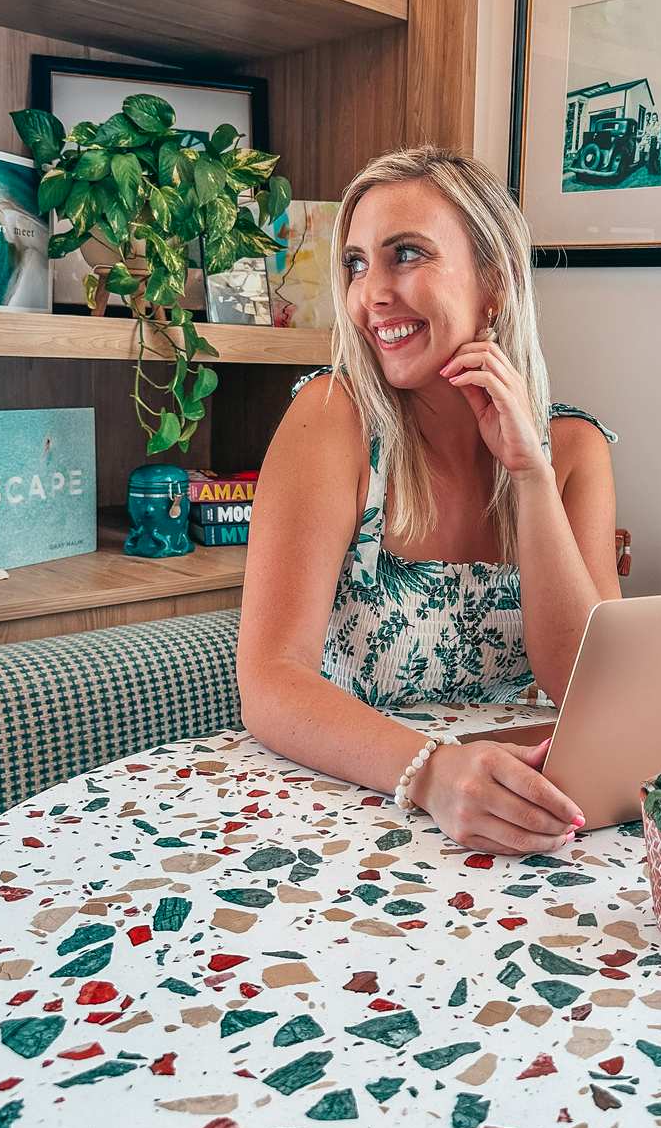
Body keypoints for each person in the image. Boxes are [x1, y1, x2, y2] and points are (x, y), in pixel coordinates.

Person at [237, 145, 622, 857]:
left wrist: (530, 478)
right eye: (355, 264)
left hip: (527, 817)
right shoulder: (332, 419)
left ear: (494, 283)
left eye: (405, 255)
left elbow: (592, 691)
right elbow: (270, 681)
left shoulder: (573, 451)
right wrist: (432, 772)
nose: (370, 294)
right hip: (358, 811)